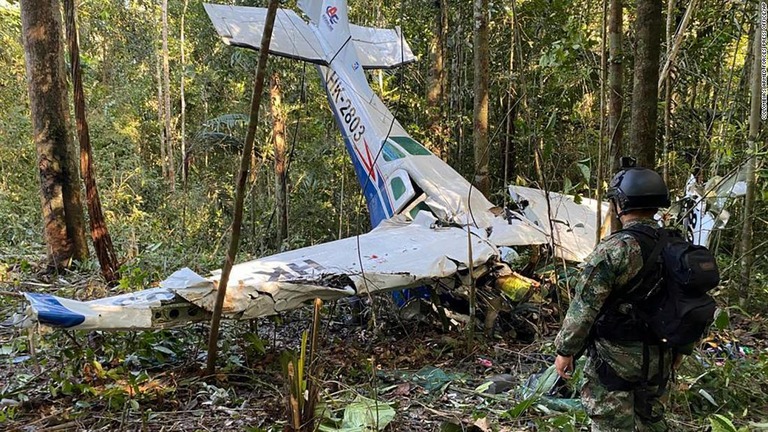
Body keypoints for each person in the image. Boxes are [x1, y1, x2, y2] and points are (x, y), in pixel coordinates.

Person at [552, 163, 678, 431]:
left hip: (614, 360)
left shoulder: (616, 248)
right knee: (652, 422)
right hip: (661, 357)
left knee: (611, 425)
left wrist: (565, 350)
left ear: (622, 203)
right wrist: (681, 349)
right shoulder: (676, 246)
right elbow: (690, 301)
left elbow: (584, 307)